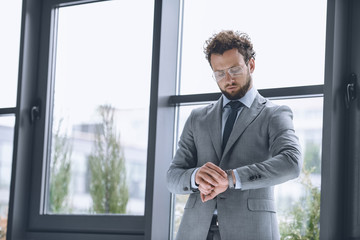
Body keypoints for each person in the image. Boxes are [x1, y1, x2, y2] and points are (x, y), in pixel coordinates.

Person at [166, 30, 302, 240]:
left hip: (251, 231)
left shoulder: (274, 114)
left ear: (251, 65)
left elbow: (291, 162)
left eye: (235, 69)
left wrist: (231, 178)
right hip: (194, 231)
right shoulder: (197, 118)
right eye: (219, 73)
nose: (228, 79)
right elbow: (172, 176)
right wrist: (195, 177)